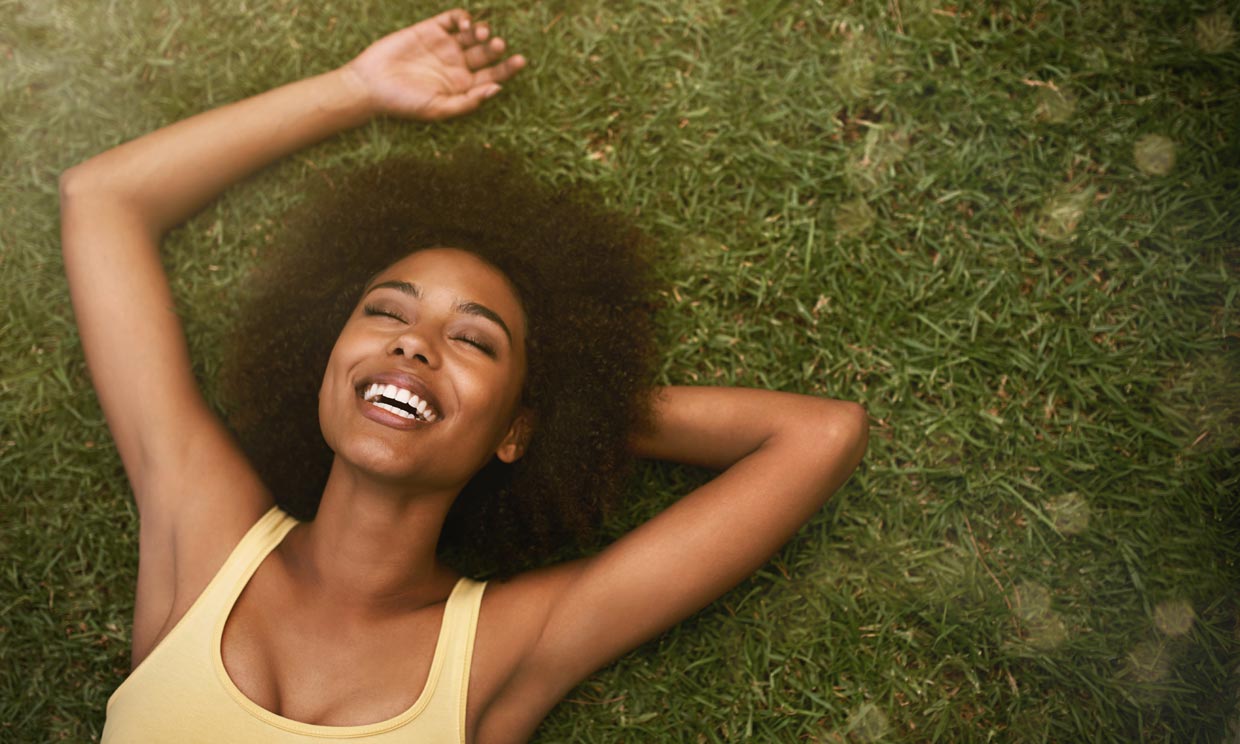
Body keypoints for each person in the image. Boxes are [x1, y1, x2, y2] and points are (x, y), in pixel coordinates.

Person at [60, 8, 869, 743]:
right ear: (324, 362)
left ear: (518, 429)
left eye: (474, 342)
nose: (413, 345)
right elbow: (102, 198)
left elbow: (817, 435)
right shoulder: (201, 541)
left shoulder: (504, 648)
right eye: (385, 312)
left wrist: (565, 413)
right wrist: (354, 88)